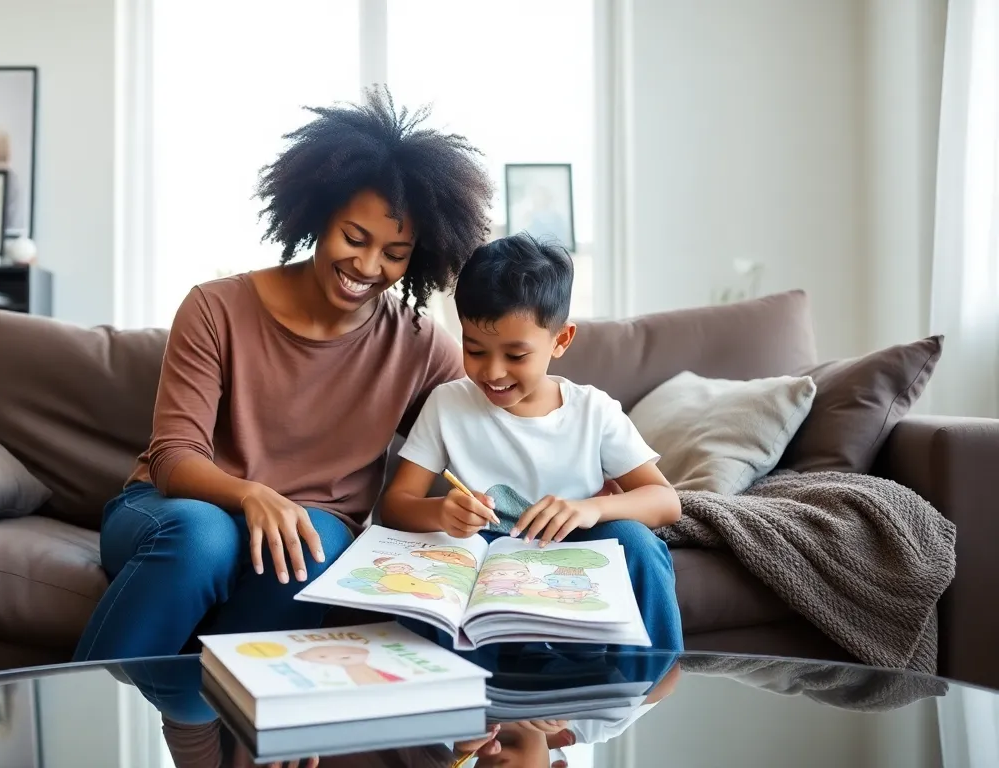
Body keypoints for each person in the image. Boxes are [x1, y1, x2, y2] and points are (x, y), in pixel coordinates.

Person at [72, 85, 495, 666]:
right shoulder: (215, 307)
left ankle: (229, 726)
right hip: (173, 514)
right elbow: (173, 455)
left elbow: (482, 441)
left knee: (311, 542)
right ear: (319, 215)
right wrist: (253, 496)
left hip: (309, 534)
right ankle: (92, 718)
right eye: (354, 237)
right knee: (206, 539)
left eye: (395, 253)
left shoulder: (419, 345)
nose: (369, 267)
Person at [379, 232, 684, 655]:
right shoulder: (448, 403)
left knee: (635, 540)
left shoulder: (593, 411)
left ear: (560, 340)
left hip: (576, 554)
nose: (493, 372)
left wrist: (590, 508)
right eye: (475, 349)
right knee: (437, 560)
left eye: (516, 355)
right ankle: (463, 692)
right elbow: (395, 504)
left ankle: (656, 675)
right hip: (482, 560)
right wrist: (440, 511)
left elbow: (665, 501)